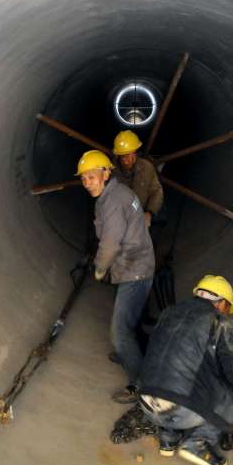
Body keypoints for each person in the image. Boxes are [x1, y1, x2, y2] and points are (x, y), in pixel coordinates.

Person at [137, 275, 233, 465]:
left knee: (171, 373)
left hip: (146, 403)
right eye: (227, 307)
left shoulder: (168, 313)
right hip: (183, 410)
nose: (227, 312)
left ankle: (168, 439)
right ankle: (197, 443)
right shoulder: (219, 322)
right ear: (221, 302)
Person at [76, 149, 155, 402]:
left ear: (106, 173)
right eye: (84, 178)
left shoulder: (112, 202)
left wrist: (100, 268)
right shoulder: (117, 193)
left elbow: (110, 244)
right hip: (136, 263)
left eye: (92, 176)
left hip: (135, 270)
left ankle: (140, 386)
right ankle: (127, 353)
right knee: (127, 322)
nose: (87, 182)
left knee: (119, 332)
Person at [112, 130, 164, 229]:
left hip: (143, 214)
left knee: (160, 219)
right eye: (126, 156)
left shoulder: (147, 168)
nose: (131, 160)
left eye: (133, 154)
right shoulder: (109, 173)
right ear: (118, 156)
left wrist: (149, 213)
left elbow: (157, 191)